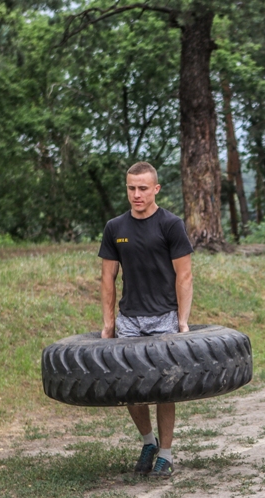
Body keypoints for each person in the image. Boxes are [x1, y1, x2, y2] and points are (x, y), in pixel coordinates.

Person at [98, 161, 194, 477]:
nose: (136, 194)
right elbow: (107, 279)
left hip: (163, 317)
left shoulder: (171, 225)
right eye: (131, 188)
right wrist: (109, 324)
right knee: (131, 387)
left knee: (165, 388)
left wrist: (182, 321)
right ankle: (148, 442)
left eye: (143, 188)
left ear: (156, 189)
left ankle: (165, 455)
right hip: (129, 319)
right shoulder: (115, 228)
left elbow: (184, 275)